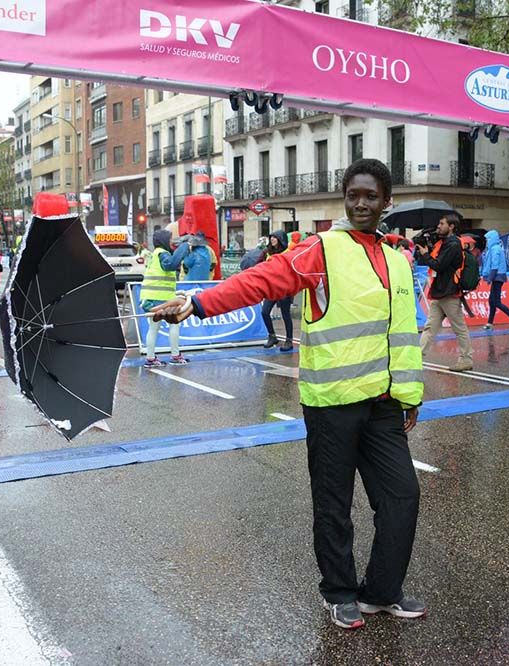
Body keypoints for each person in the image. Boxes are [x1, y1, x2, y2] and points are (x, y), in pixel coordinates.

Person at [150, 159, 425, 630]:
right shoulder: (320, 250)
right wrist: (197, 303)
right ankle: (338, 591)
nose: (361, 203)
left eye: (371, 196)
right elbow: (259, 280)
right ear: (345, 198)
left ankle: (380, 592)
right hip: (331, 404)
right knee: (333, 505)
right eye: (353, 194)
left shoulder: (398, 262)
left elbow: (402, 334)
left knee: (402, 498)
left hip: (383, 404)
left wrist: (410, 396)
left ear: (386, 202)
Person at [416, 213, 473, 372]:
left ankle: (466, 359)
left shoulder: (453, 244)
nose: (438, 226)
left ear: (451, 226)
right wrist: (428, 250)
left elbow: (438, 265)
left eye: (442, 224)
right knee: (429, 327)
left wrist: (425, 254)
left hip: (449, 293)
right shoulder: (444, 243)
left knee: (459, 328)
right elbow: (436, 262)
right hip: (439, 291)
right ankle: (417, 357)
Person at [141, 229, 190, 367]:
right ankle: (175, 355)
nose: (172, 241)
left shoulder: (154, 254)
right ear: (163, 241)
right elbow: (171, 265)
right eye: (170, 239)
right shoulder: (162, 254)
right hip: (161, 298)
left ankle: (150, 359)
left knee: (153, 328)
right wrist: (184, 247)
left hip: (150, 297)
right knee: (174, 324)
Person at [480, 230, 509, 330]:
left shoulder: (495, 249)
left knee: (496, 302)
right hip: (497, 276)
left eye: (488, 239)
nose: (486, 241)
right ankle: (490, 323)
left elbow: (495, 265)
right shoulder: (495, 248)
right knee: (492, 301)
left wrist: (490, 277)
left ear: (492, 239)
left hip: (496, 277)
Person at [260, 230, 295, 351]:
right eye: (271, 237)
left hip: (285, 288)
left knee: (285, 314)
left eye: (275, 237)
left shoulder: (288, 252)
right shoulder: (267, 252)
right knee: (265, 312)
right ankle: (272, 336)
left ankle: (289, 340)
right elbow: (259, 265)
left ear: (281, 239)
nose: (272, 240)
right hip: (272, 288)